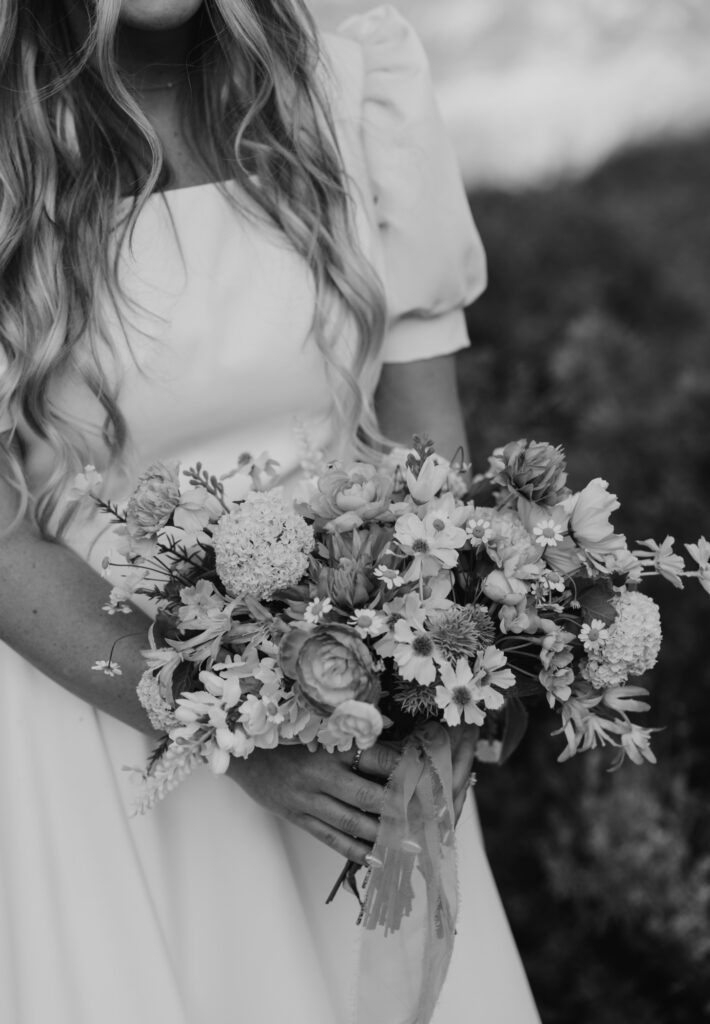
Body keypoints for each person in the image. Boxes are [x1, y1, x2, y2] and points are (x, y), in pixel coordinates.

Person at [0, 1, 542, 1021]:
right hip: (108, 722)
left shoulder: (356, 84)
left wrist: (444, 676)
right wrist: (229, 734)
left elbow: (429, 454)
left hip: (364, 737)